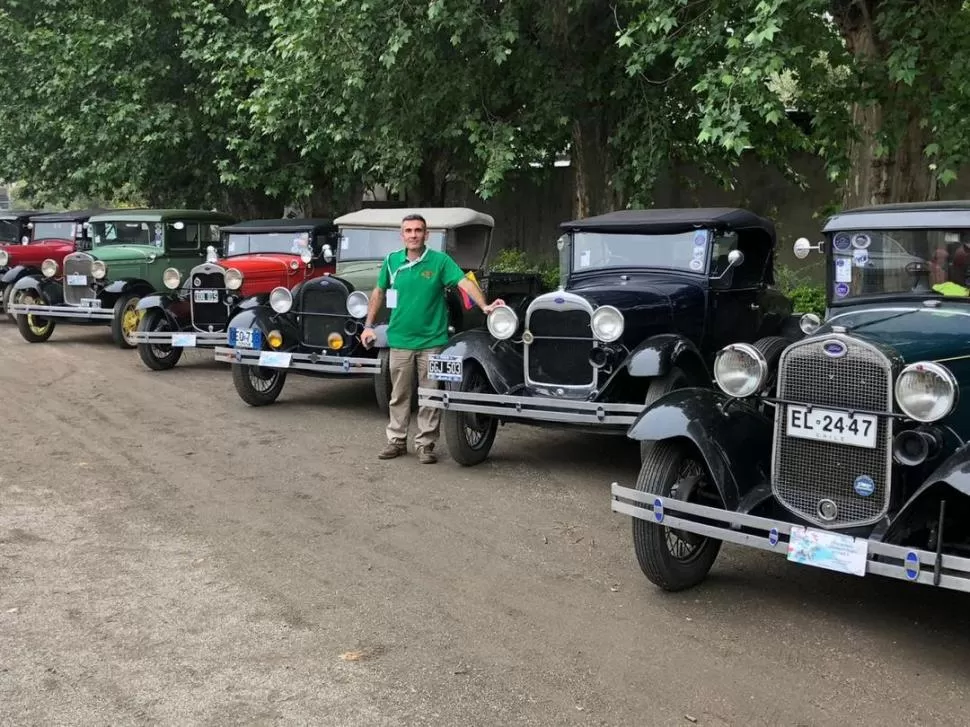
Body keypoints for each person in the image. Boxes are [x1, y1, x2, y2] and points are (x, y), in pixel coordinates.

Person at [360, 214, 504, 464]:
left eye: (418, 230)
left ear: (427, 235)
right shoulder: (392, 261)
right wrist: (368, 326)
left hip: (432, 342)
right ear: (401, 235)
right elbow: (379, 291)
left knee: (430, 395)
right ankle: (396, 440)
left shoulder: (439, 261)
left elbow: (464, 283)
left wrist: (484, 306)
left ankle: (425, 444)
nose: (413, 234)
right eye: (408, 230)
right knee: (399, 395)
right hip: (400, 341)